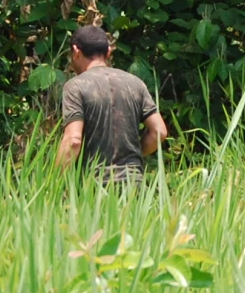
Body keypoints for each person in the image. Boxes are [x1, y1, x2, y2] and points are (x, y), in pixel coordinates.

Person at [56, 24, 166, 179]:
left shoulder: (76, 86)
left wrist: (54, 183)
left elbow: (73, 141)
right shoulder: (135, 83)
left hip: (94, 187)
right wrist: (133, 155)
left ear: (76, 52)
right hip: (134, 185)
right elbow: (159, 131)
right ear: (108, 52)